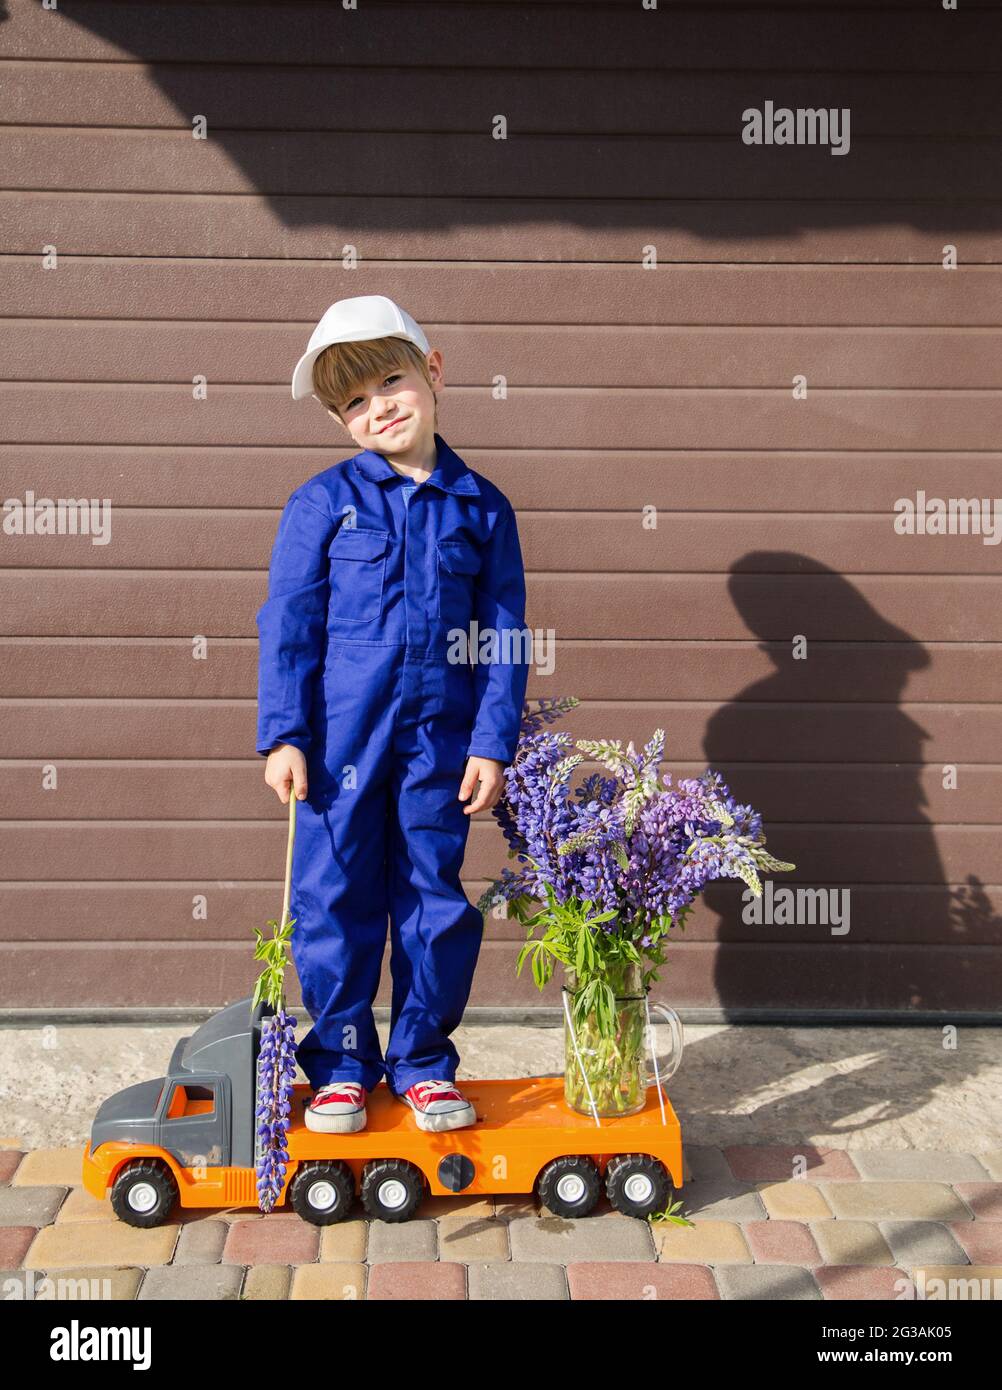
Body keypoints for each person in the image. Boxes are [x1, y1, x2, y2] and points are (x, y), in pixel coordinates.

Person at [256, 295, 530, 1134]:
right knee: (332, 898)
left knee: (430, 901)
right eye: (352, 401)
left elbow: (505, 634)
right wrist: (284, 736)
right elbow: (289, 626)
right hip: (340, 744)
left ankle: (421, 1063)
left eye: (389, 379)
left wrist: (492, 741)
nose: (378, 406)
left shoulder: (483, 509)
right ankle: (340, 1065)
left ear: (433, 370)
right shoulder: (321, 504)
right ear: (339, 421)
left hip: (438, 747)